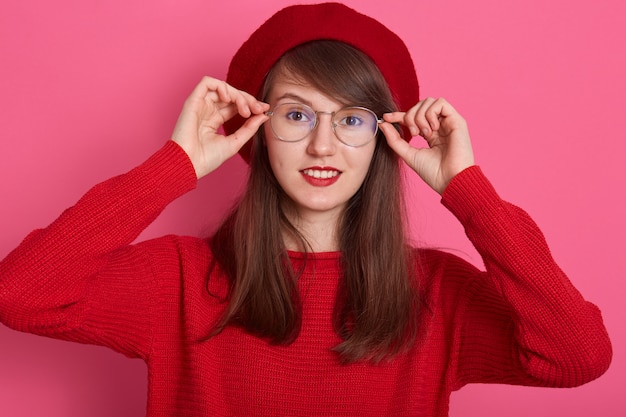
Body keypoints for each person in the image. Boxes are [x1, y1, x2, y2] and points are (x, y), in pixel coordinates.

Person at [0, 2, 612, 416]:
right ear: (256, 127)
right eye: (297, 114)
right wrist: (176, 161)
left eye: (352, 119)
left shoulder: (433, 291)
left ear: (386, 134)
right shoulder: (180, 280)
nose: (323, 145)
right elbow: (20, 294)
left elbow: (577, 356)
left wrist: (466, 188)